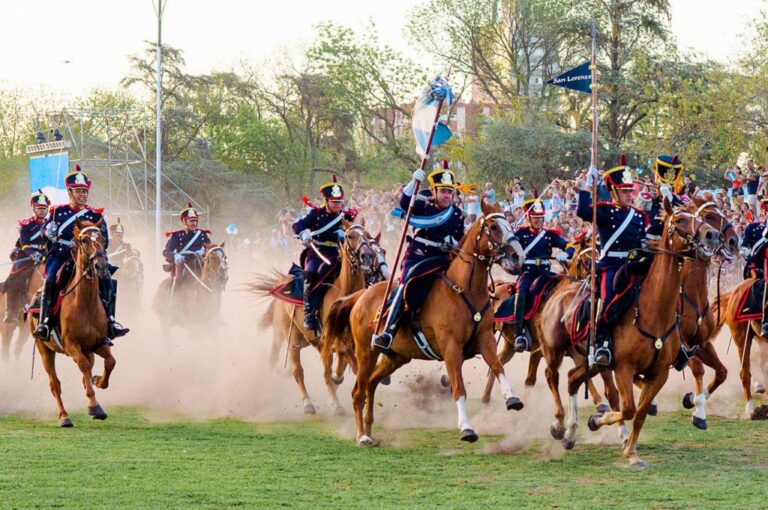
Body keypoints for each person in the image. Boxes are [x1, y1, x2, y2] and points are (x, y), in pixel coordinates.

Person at [372, 161, 465, 350]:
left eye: (450, 192)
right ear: (434, 191)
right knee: (407, 286)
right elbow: (405, 203)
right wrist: (412, 183)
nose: (447, 196)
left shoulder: (457, 215)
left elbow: (460, 239)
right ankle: (389, 330)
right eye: (443, 191)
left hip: (444, 260)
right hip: (419, 257)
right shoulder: (423, 204)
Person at [34, 165, 129, 340]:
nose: (82, 195)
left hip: (88, 257)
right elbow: (44, 232)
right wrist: (49, 231)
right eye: (78, 191)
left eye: (84, 191)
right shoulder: (57, 211)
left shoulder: (95, 215)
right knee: (50, 278)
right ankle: (44, 323)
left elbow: (105, 239)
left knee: (107, 278)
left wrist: (93, 247)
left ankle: (111, 321)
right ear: (70, 192)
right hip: (61, 256)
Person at [577, 156, 648, 367]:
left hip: (633, 267)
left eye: (630, 191)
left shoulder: (638, 216)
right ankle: (602, 343)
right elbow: (582, 211)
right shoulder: (605, 211)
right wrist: (585, 187)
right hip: (611, 267)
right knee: (609, 300)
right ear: (614, 192)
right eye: (625, 191)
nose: (629, 195)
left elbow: (641, 244)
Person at [292, 176, 355, 332]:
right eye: (334, 202)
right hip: (317, 253)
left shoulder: (345, 216)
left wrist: (346, 233)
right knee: (312, 275)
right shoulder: (316, 214)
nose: (338, 205)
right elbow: (297, 225)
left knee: (360, 271)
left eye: (340, 202)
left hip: (338, 253)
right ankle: (309, 311)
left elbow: (355, 230)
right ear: (327, 201)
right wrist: (303, 234)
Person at [512, 194, 574, 352]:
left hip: (546, 273)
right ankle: (519, 334)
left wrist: (566, 253)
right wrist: (510, 236)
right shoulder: (520, 234)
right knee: (522, 293)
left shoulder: (549, 235)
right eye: (535, 217)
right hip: (528, 273)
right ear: (529, 218)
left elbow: (569, 245)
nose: (538, 220)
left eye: (540, 217)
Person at [2, 190, 49, 323]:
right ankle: (10, 310)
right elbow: (25, 244)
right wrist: (35, 256)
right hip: (26, 255)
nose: (42, 211)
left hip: (46, 255)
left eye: (44, 208)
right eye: (39, 208)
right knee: (15, 278)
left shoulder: (50, 224)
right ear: (33, 208)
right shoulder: (26, 225)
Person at [163, 204, 212, 283]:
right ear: (185, 222)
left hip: (200, 263)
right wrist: (176, 256)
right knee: (178, 281)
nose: (194, 223)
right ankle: (174, 293)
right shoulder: (177, 235)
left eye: (195, 221)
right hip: (184, 264)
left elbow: (210, 249)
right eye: (191, 221)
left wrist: (203, 251)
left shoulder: (202, 234)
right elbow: (167, 251)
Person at [741, 197, 768, 336]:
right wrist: (748, 257)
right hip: (759, 265)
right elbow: (744, 248)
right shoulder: (752, 227)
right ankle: (765, 321)